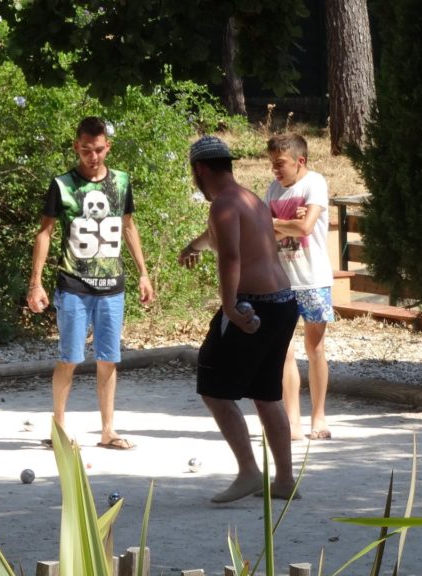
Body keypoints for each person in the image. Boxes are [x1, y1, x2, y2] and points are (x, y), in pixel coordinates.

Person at [178, 135, 299, 503]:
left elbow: (230, 257)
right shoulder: (248, 199)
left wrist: (230, 307)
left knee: (213, 386)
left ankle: (249, 472)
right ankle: (284, 480)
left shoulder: (223, 206)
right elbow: (218, 238)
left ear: (199, 169)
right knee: (266, 393)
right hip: (283, 302)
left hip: (253, 305)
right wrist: (193, 247)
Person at [26, 116, 154, 450]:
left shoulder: (122, 182)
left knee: (109, 358)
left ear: (107, 147)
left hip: (112, 284)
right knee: (69, 357)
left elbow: (128, 226)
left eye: (98, 150)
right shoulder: (63, 184)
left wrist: (143, 272)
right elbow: (45, 233)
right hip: (74, 285)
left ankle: (108, 430)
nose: (92, 157)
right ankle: (59, 427)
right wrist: (35, 283)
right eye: (86, 150)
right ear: (76, 147)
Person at [265, 133, 334, 441]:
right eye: (272, 165)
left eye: (280, 164)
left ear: (299, 160)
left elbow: (305, 228)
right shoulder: (272, 190)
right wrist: (287, 222)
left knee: (315, 348)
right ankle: (292, 422)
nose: (275, 171)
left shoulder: (315, 184)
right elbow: (264, 233)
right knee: (283, 351)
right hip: (281, 281)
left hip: (313, 278)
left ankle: (318, 417)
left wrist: (280, 224)